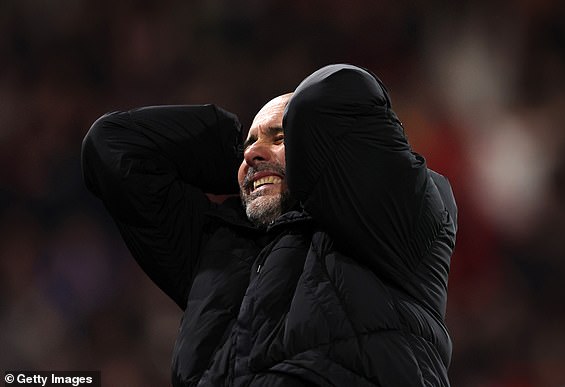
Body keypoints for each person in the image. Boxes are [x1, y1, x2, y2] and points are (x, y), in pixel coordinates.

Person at [81, 64, 457, 386]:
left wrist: (285, 156)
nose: (252, 152)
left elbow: (337, 92)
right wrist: (243, 153)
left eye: (282, 136)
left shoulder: (398, 215)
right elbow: (114, 147)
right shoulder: (223, 249)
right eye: (248, 145)